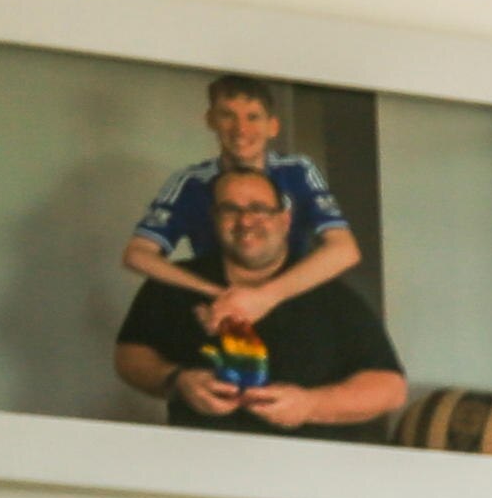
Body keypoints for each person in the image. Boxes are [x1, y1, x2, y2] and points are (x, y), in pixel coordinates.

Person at [110, 166, 404, 439]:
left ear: (285, 219)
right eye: (230, 209)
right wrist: (176, 381)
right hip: (200, 467)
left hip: (309, 472)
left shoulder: (331, 294)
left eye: (259, 209)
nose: (246, 220)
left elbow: (390, 388)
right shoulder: (174, 284)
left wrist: (310, 405)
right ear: (215, 219)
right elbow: (130, 356)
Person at [119, 73, 361, 333]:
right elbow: (137, 254)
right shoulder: (190, 182)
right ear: (210, 120)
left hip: (291, 301)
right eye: (227, 115)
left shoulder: (298, 171)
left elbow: (344, 250)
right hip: (222, 309)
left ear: (273, 126)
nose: (240, 129)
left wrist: (264, 297)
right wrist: (217, 291)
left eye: (253, 117)